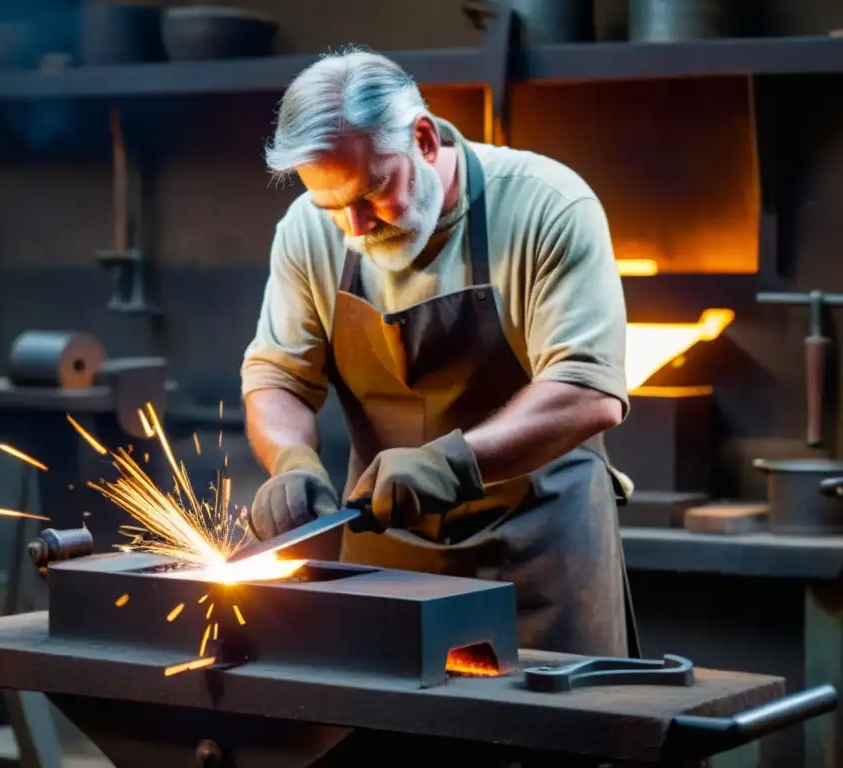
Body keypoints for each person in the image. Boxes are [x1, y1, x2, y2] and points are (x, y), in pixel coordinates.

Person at [240, 47, 637, 657]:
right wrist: (290, 458)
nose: (354, 227)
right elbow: (278, 377)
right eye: (332, 206)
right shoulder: (307, 231)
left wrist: (450, 464)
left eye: (373, 193)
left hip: (538, 549)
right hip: (385, 546)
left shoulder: (547, 206)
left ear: (423, 140)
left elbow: (588, 390)